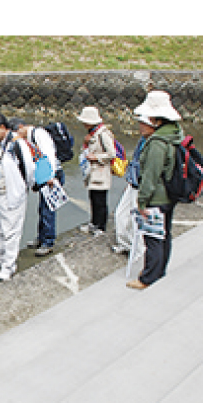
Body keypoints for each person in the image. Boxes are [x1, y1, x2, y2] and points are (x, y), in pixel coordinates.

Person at [126, 90, 184, 290]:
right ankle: (159, 270)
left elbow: (150, 176)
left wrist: (142, 201)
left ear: (155, 120)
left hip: (156, 197)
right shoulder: (173, 135)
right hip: (169, 194)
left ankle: (148, 277)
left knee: (152, 238)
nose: (141, 125)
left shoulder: (157, 143)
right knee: (164, 234)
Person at [0, 113, 35, 281]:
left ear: (3, 128)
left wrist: (22, 189)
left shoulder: (18, 144)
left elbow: (29, 169)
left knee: (11, 231)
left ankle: (9, 266)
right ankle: (0, 257)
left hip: (13, 194)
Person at [10, 118, 65, 257]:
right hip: (43, 175)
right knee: (42, 208)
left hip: (51, 175)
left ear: (21, 127)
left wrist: (50, 177)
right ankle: (41, 238)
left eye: (16, 133)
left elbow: (48, 155)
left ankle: (48, 242)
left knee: (48, 209)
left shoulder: (39, 134)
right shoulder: (28, 137)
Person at [111, 114, 156, 254]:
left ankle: (138, 252)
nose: (140, 126)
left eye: (144, 123)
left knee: (137, 220)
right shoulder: (143, 140)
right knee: (120, 214)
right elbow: (135, 161)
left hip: (142, 187)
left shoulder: (156, 144)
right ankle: (125, 244)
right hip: (134, 183)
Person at [76, 106, 116, 236]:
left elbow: (112, 153)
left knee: (100, 201)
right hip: (93, 172)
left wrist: (96, 157)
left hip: (101, 172)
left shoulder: (103, 134)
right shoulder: (92, 134)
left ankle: (101, 227)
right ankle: (93, 224)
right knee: (93, 198)